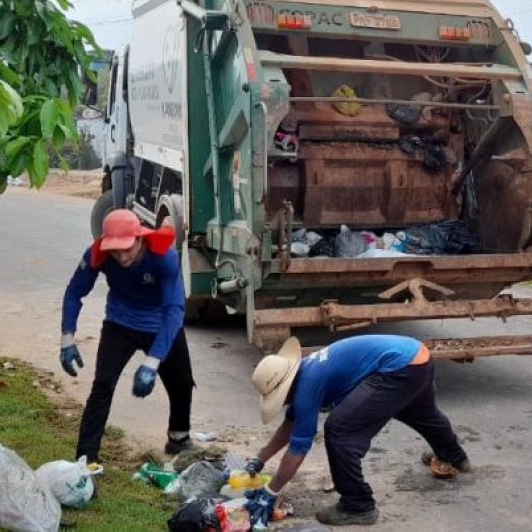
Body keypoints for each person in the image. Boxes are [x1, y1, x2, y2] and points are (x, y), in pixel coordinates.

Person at [244, 334, 470, 527]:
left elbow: (299, 446)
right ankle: (454, 456)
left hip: (398, 367)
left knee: (340, 431)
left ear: (287, 387)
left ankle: (358, 505)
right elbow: (289, 427)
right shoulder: (307, 371)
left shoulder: (306, 388)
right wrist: (260, 459)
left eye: (281, 397)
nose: (283, 402)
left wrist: (271, 491)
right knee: (421, 413)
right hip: (415, 356)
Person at [59, 209, 194, 464]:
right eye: (115, 250)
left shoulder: (164, 256)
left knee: (181, 382)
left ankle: (178, 438)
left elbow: (174, 310)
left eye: (127, 249)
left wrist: (152, 362)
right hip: (121, 322)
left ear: (140, 238)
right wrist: (67, 337)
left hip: (161, 323)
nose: (121, 257)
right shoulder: (97, 254)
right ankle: (86, 459)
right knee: (102, 386)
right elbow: (74, 292)